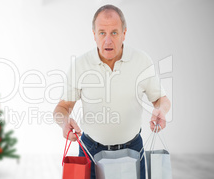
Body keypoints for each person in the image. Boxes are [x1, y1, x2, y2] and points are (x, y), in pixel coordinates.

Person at [53, 4, 171, 179]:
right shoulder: (80, 65)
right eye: (102, 33)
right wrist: (64, 123)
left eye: (114, 33)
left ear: (124, 33)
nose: (108, 40)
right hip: (90, 152)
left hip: (132, 150)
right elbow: (62, 108)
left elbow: (161, 99)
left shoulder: (142, 61)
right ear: (94, 35)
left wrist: (161, 110)